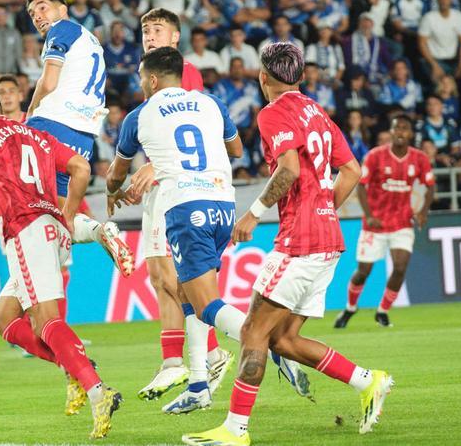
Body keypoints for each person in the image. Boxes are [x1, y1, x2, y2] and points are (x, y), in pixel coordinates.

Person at [183, 42, 391, 446]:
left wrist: (253, 212)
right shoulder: (317, 111)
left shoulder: (273, 112)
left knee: (252, 332)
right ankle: (369, 380)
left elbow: (289, 168)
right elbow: (352, 170)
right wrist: (324, 209)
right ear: (300, 76)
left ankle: (235, 430)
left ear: (264, 77)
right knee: (283, 339)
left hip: (299, 243)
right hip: (329, 240)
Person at [108, 47, 310, 415]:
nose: (139, 83)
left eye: (141, 78)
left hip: (185, 208)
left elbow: (116, 175)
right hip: (222, 204)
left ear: (152, 79)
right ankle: (199, 384)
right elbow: (235, 148)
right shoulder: (211, 102)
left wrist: (112, 192)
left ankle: (270, 345)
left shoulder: (139, 115)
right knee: (189, 292)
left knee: (205, 304)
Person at [0, 92, 122, 439]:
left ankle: (97, 390)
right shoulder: (39, 136)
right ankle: (76, 365)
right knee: (4, 319)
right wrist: (68, 212)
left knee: (46, 320)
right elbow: (81, 167)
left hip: (27, 230)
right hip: (52, 229)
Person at [130, 8, 236, 403]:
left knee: (175, 278)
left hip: (181, 188)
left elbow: (193, 135)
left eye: (157, 29)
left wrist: (154, 166)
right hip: (166, 186)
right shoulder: (151, 72)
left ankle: (205, 355)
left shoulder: (182, 73)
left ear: (175, 37)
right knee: (160, 276)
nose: (149, 35)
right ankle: (178, 361)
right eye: (145, 30)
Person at [22, 0, 133, 272]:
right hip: (83, 131)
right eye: (33, 14)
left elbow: (47, 83)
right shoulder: (91, 41)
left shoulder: (61, 30)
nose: (37, 16)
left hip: (51, 122)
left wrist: (30, 112)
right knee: (58, 209)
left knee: (10, 179)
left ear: (63, 10)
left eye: (43, 7)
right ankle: (97, 231)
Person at [334, 116, 435, 329]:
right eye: (397, 127)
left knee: (400, 267)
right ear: (391, 131)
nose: (401, 131)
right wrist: (369, 214)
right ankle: (350, 307)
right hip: (375, 224)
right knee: (363, 271)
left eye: (405, 128)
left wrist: (423, 212)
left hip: (402, 223)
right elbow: (362, 185)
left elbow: (430, 186)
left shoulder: (419, 159)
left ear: (411, 134)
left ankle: (382, 311)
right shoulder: (375, 156)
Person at [418, 0, 461, 82]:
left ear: (450, 0)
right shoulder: (429, 18)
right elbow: (422, 43)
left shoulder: (459, 16)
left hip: (454, 60)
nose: (443, 1)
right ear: (437, 0)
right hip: (435, 60)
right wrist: (434, 65)